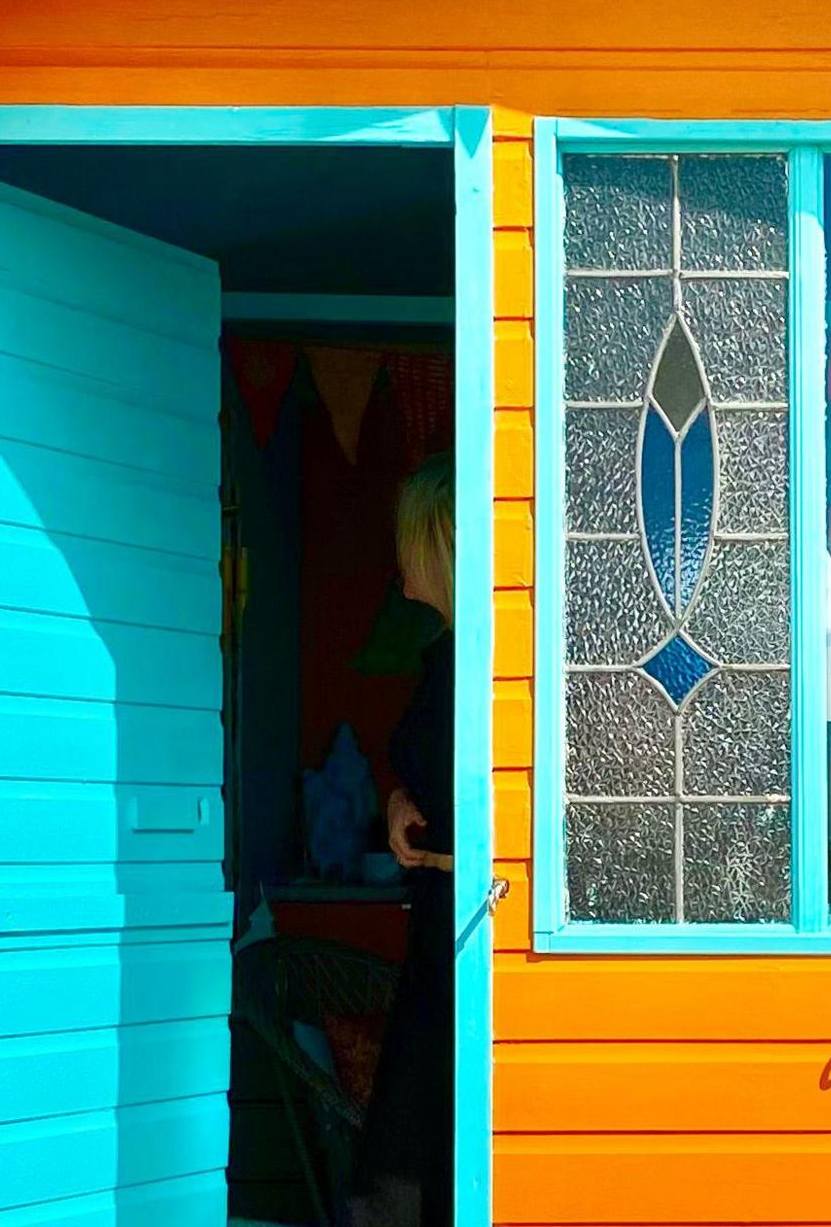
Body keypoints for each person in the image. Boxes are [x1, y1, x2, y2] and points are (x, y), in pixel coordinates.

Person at [349, 453, 456, 1227]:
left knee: (412, 1156)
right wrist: (396, 803)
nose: (395, 556)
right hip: (431, 928)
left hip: (467, 929)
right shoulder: (441, 657)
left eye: (404, 538)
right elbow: (428, 774)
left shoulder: (483, 665)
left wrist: (450, 853)